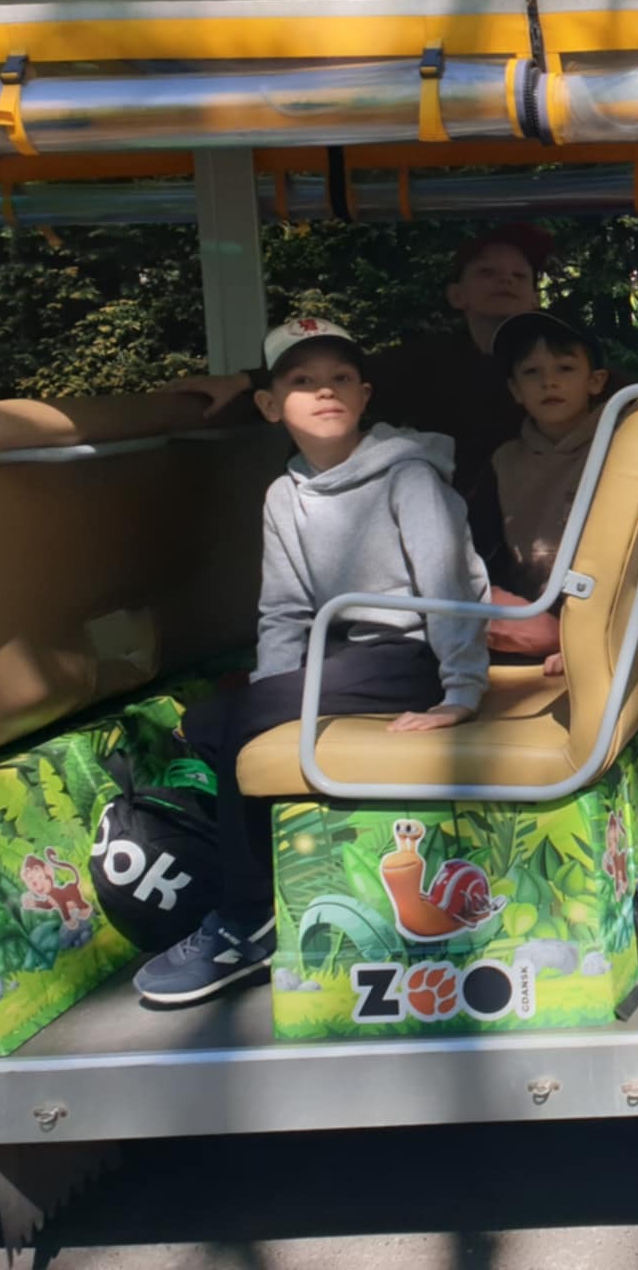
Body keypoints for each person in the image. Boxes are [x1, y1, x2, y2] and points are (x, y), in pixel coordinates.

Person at [133, 316, 490, 1006]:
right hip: (347, 655)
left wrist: (461, 692)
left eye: (340, 378)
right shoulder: (285, 494)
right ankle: (256, 878)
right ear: (271, 406)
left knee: (236, 722)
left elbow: (448, 587)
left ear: (364, 395)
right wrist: (275, 697)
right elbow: (285, 610)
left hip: (413, 656)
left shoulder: (409, 476)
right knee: (209, 723)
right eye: (302, 381)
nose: (324, 391)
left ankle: (247, 921)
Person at [160, 224, 557, 562]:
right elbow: (333, 377)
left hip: (542, 517)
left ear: (535, 297)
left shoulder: (564, 358)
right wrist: (244, 380)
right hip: (449, 524)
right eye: (487, 272)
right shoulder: (425, 360)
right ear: (457, 295)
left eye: (519, 276)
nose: (505, 280)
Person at [485, 311, 613, 674]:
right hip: (529, 619)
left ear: (595, 381)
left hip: (604, 619)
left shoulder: (622, 446)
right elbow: (482, 549)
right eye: (531, 372)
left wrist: (583, 636)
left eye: (565, 368)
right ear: (515, 390)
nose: (549, 382)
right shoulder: (504, 461)